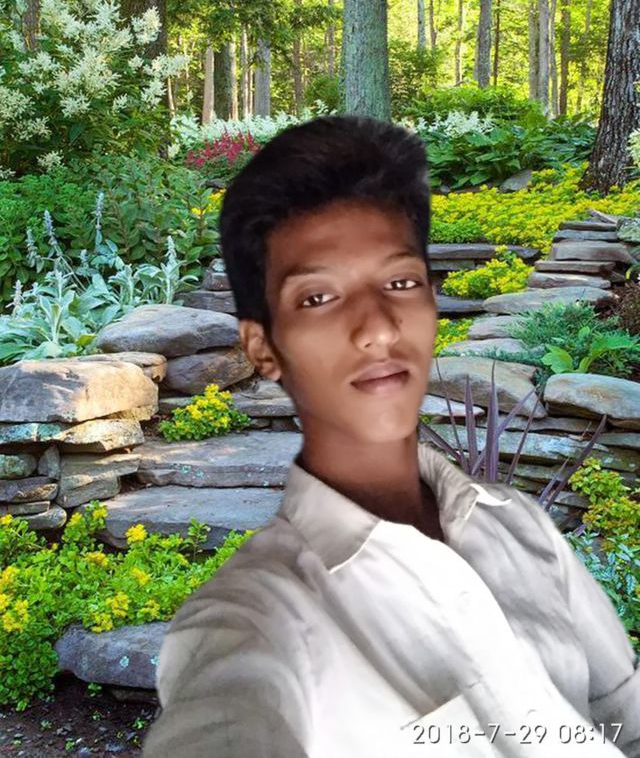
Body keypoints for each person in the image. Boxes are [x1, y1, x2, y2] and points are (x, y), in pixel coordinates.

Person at [142, 115, 639, 757]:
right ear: (262, 348)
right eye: (318, 297)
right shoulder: (253, 625)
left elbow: (625, 719)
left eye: (400, 283)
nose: (377, 327)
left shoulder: (520, 526)